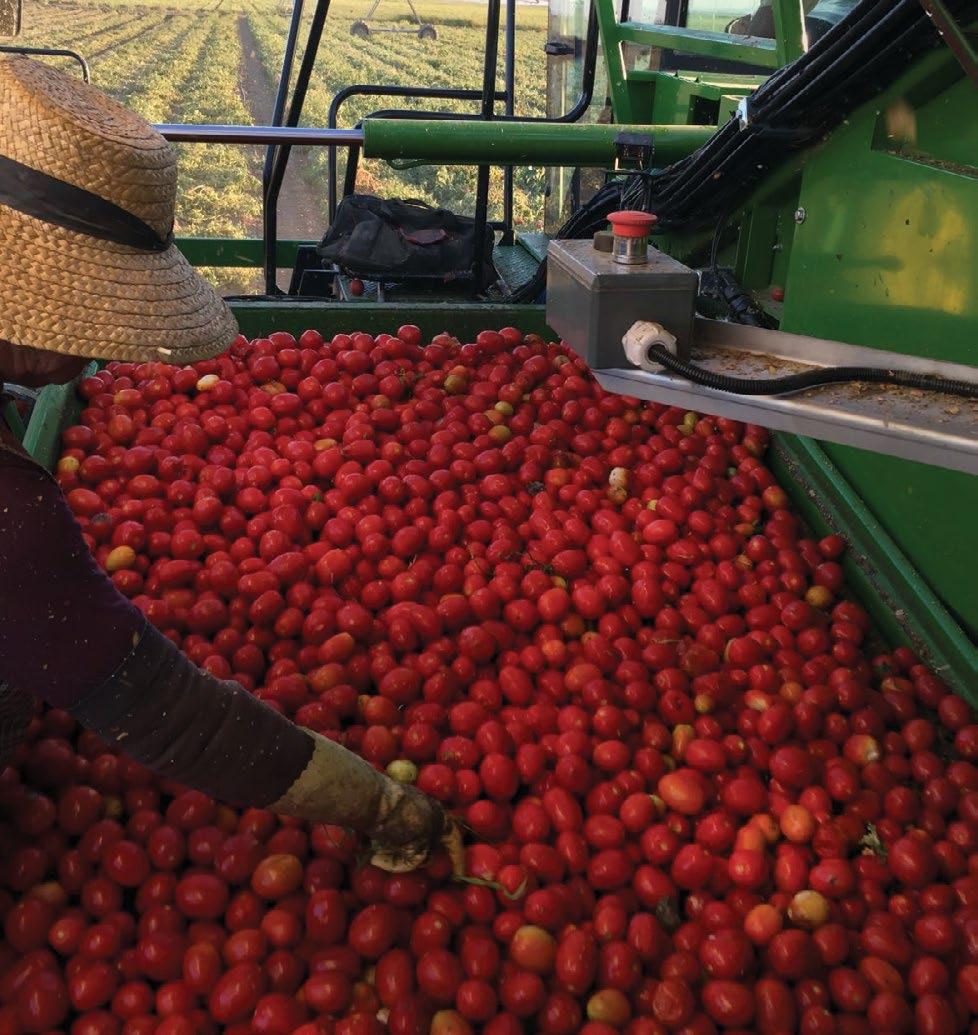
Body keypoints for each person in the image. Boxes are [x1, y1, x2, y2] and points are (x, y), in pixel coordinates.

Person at [0, 55, 447, 871]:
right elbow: (166, 710)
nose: (103, 348)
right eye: (92, 312)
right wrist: (379, 802)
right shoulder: (14, 523)